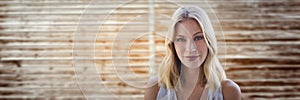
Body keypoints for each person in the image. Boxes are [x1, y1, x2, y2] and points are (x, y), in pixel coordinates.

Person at [144, 6, 241, 100]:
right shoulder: (155, 89)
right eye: (181, 39)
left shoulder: (228, 91)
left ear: (209, 42)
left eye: (198, 38)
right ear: (173, 45)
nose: (190, 48)